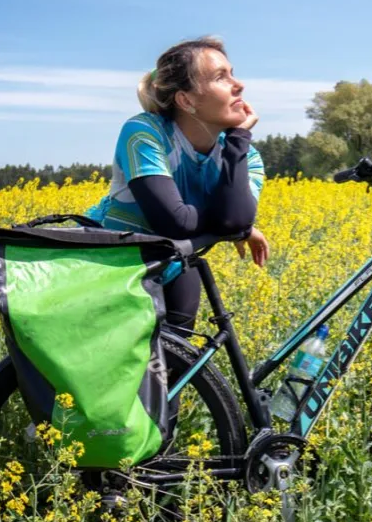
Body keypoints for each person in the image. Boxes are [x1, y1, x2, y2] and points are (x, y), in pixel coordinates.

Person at [86, 36, 269, 332]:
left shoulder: (246, 155)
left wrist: (238, 142)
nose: (239, 85)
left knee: (177, 367)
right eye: (221, 77)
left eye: (232, 73)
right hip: (114, 266)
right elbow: (175, 223)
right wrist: (234, 227)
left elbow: (234, 220)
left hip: (176, 264)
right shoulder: (144, 133)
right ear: (186, 100)